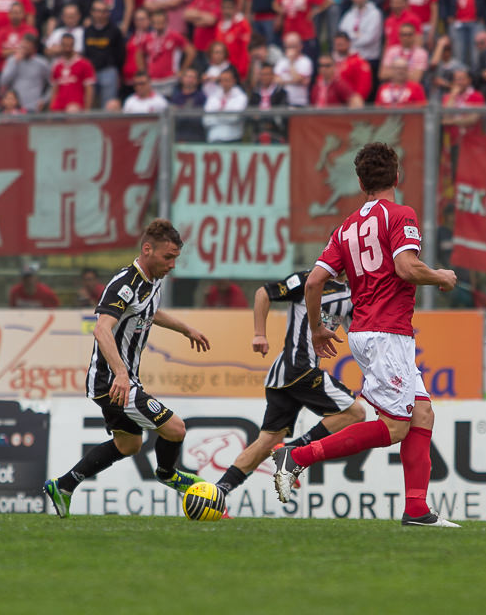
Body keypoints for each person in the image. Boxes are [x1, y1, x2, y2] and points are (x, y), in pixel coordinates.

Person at [271, 142, 460, 527]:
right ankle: (297, 456)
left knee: (421, 413)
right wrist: (441, 276)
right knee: (394, 427)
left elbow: (314, 284)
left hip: (373, 331)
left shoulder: (346, 227)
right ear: (397, 176)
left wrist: (316, 328)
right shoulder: (401, 214)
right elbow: (406, 267)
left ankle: (417, 510)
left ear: (360, 182)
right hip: (385, 333)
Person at [44, 219, 211, 518]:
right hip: (112, 381)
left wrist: (185, 328)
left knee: (129, 443)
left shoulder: (152, 282)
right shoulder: (124, 284)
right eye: (167, 257)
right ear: (147, 250)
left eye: (175, 258)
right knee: (175, 429)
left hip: (122, 379)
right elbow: (102, 330)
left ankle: (64, 485)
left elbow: (151, 311)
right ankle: (168, 473)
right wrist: (121, 374)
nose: (172, 265)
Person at [214, 271, 365, 500]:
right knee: (355, 412)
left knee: (267, 442)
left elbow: (358, 335)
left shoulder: (352, 292)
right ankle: (293, 451)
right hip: (298, 368)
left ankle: (217, 493)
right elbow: (263, 293)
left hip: (286, 375)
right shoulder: (308, 279)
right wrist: (259, 334)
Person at [84, 0, 125, 106]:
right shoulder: (87, 31)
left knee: (108, 105)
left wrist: (116, 70)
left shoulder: (115, 30)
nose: (100, 14)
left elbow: (120, 54)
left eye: (103, 11)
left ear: (108, 13)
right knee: (89, 105)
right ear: (92, 12)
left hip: (108, 71)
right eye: (97, 11)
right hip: (90, 72)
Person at [0, 32, 49, 111]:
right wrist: (15, 62)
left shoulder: (42, 63)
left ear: (34, 49)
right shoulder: (12, 60)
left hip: (33, 107)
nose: (24, 49)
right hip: (15, 108)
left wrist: (44, 100)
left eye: (28, 47)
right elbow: (3, 81)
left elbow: (53, 84)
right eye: (23, 46)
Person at [338, 0, 383, 71]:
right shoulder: (349, 14)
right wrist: (357, 35)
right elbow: (342, 34)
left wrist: (350, 40)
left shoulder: (375, 14)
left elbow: (370, 38)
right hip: (351, 58)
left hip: (369, 57)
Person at [48, 33, 95, 111]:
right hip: (59, 106)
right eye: (65, 45)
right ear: (61, 45)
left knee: (72, 110)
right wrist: (51, 107)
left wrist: (87, 110)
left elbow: (89, 89)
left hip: (76, 106)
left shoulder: (84, 64)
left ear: (73, 45)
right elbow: (54, 90)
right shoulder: (57, 66)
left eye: (70, 45)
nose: (67, 48)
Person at [202, 66, 247, 142]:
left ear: (234, 81)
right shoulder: (213, 96)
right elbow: (206, 120)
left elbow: (234, 118)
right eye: (221, 80)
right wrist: (225, 114)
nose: (224, 83)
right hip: (214, 138)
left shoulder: (241, 97)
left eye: (227, 80)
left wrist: (216, 114)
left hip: (232, 138)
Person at [249, 62, 288, 143]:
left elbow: (282, 112)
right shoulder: (255, 93)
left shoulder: (281, 93)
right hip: (258, 131)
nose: (265, 77)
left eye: (267, 74)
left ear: (273, 75)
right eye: (262, 74)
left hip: (275, 132)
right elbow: (251, 111)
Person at [274, 31, 313, 105]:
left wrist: (291, 62)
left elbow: (298, 79)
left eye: (293, 46)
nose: (290, 49)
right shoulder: (281, 61)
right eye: (288, 46)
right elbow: (276, 80)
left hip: (299, 102)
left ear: (300, 46)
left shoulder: (305, 61)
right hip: (283, 101)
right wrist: (293, 81)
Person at [170, 67, 206, 142]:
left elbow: (200, 119)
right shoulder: (176, 97)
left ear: (197, 81)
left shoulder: (201, 97)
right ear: (182, 79)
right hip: (178, 136)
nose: (190, 80)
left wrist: (181, 112)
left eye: (193, 77)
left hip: (196, 137)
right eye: (188, 77)